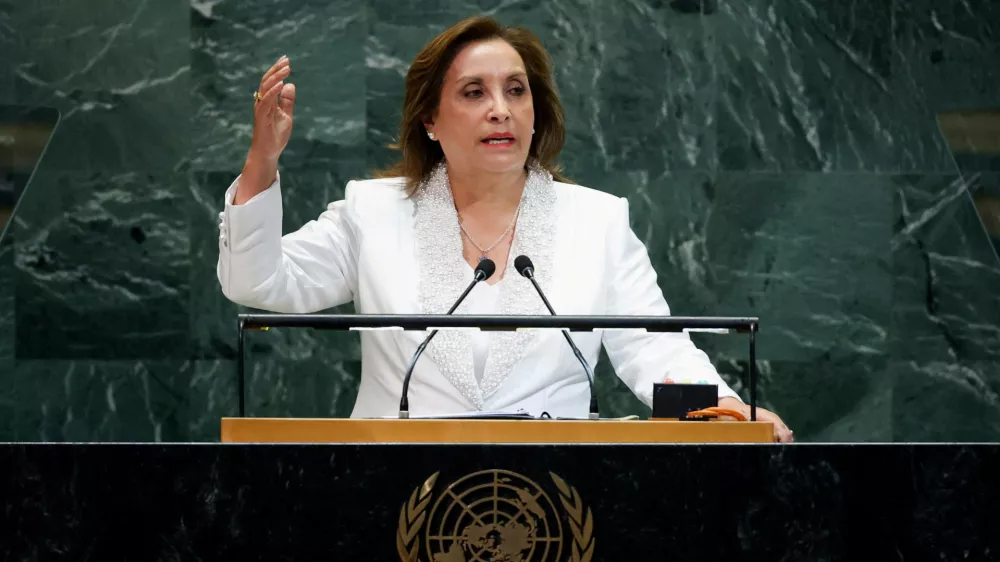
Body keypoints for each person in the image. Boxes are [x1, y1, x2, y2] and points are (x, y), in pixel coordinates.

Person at [216, 16, 793, 442]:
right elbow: (258, 284)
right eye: (475, 92)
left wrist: (728, 412)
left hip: (557, 505)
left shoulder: (597, 221)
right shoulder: (372, 213)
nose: (501, 109)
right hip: (389, 500)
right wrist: (261, 162)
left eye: (517, 90)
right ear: (431, 120)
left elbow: (654, 347)